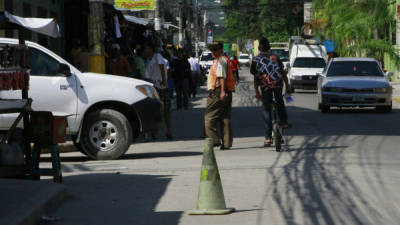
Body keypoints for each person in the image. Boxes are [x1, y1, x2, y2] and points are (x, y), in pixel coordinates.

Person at [250, 37, 292, 147]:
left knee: (266, 110)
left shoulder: (256, 60)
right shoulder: (275, 57)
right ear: (269, 47)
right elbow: (283, 74)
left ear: (259, 48)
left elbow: (255, 78)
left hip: (265, 87)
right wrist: (287, 86)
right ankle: (284, 122)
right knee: (280, 102)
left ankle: (268, 138)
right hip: (277, 84)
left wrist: (257, 92)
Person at [204, 43, 236, 150]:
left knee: (209, 117)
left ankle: (214, 140)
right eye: (212, 50)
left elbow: (222, 77)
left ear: (220, 50)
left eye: (215, 50)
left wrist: (222, 92)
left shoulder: (221, 61)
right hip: (227, 91)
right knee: (225, 117)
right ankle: (226, 143)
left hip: (218, 92)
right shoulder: (223, 60)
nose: (213, 52)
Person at [144, 43, 173, 140]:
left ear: (151, 49)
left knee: (166, 110)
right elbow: (148, 76)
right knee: (153, 110)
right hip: (153, 88)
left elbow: (161, 67)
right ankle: (152, 131)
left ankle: (168, 131)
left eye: (147, 49)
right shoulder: (148, 61)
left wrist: (164, 80)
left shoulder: (158, 56)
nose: (146, 51)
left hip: (162, 87)